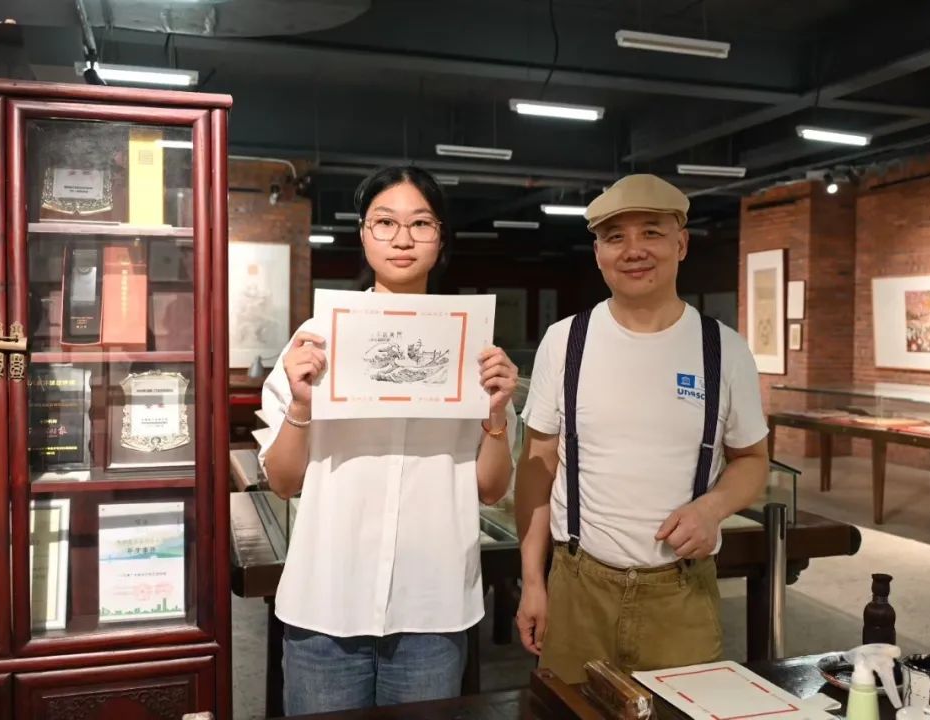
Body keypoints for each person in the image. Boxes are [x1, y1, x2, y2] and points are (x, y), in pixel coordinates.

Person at [258, 166, 519, 713]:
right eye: (385, 222)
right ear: (363, 233)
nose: (403, 238)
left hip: (432, 609)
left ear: (441, 237)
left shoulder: (473, 351)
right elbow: (282, 481)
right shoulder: (314, 344)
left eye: (420, 223)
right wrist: (302, 405)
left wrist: (496, 413)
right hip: (325, 604)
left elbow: (492, 489)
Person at [514, 174, 770, 683]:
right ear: (598, 253)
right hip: (578, 588)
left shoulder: (724, 349)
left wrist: (712, 508)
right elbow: (537, 467)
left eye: (651, 232)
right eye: (615, 237)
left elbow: (753, 459)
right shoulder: (565, 342)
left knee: (680, 712)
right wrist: (533, 581)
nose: (634, 250)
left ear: (681, 244)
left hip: (681, 593)